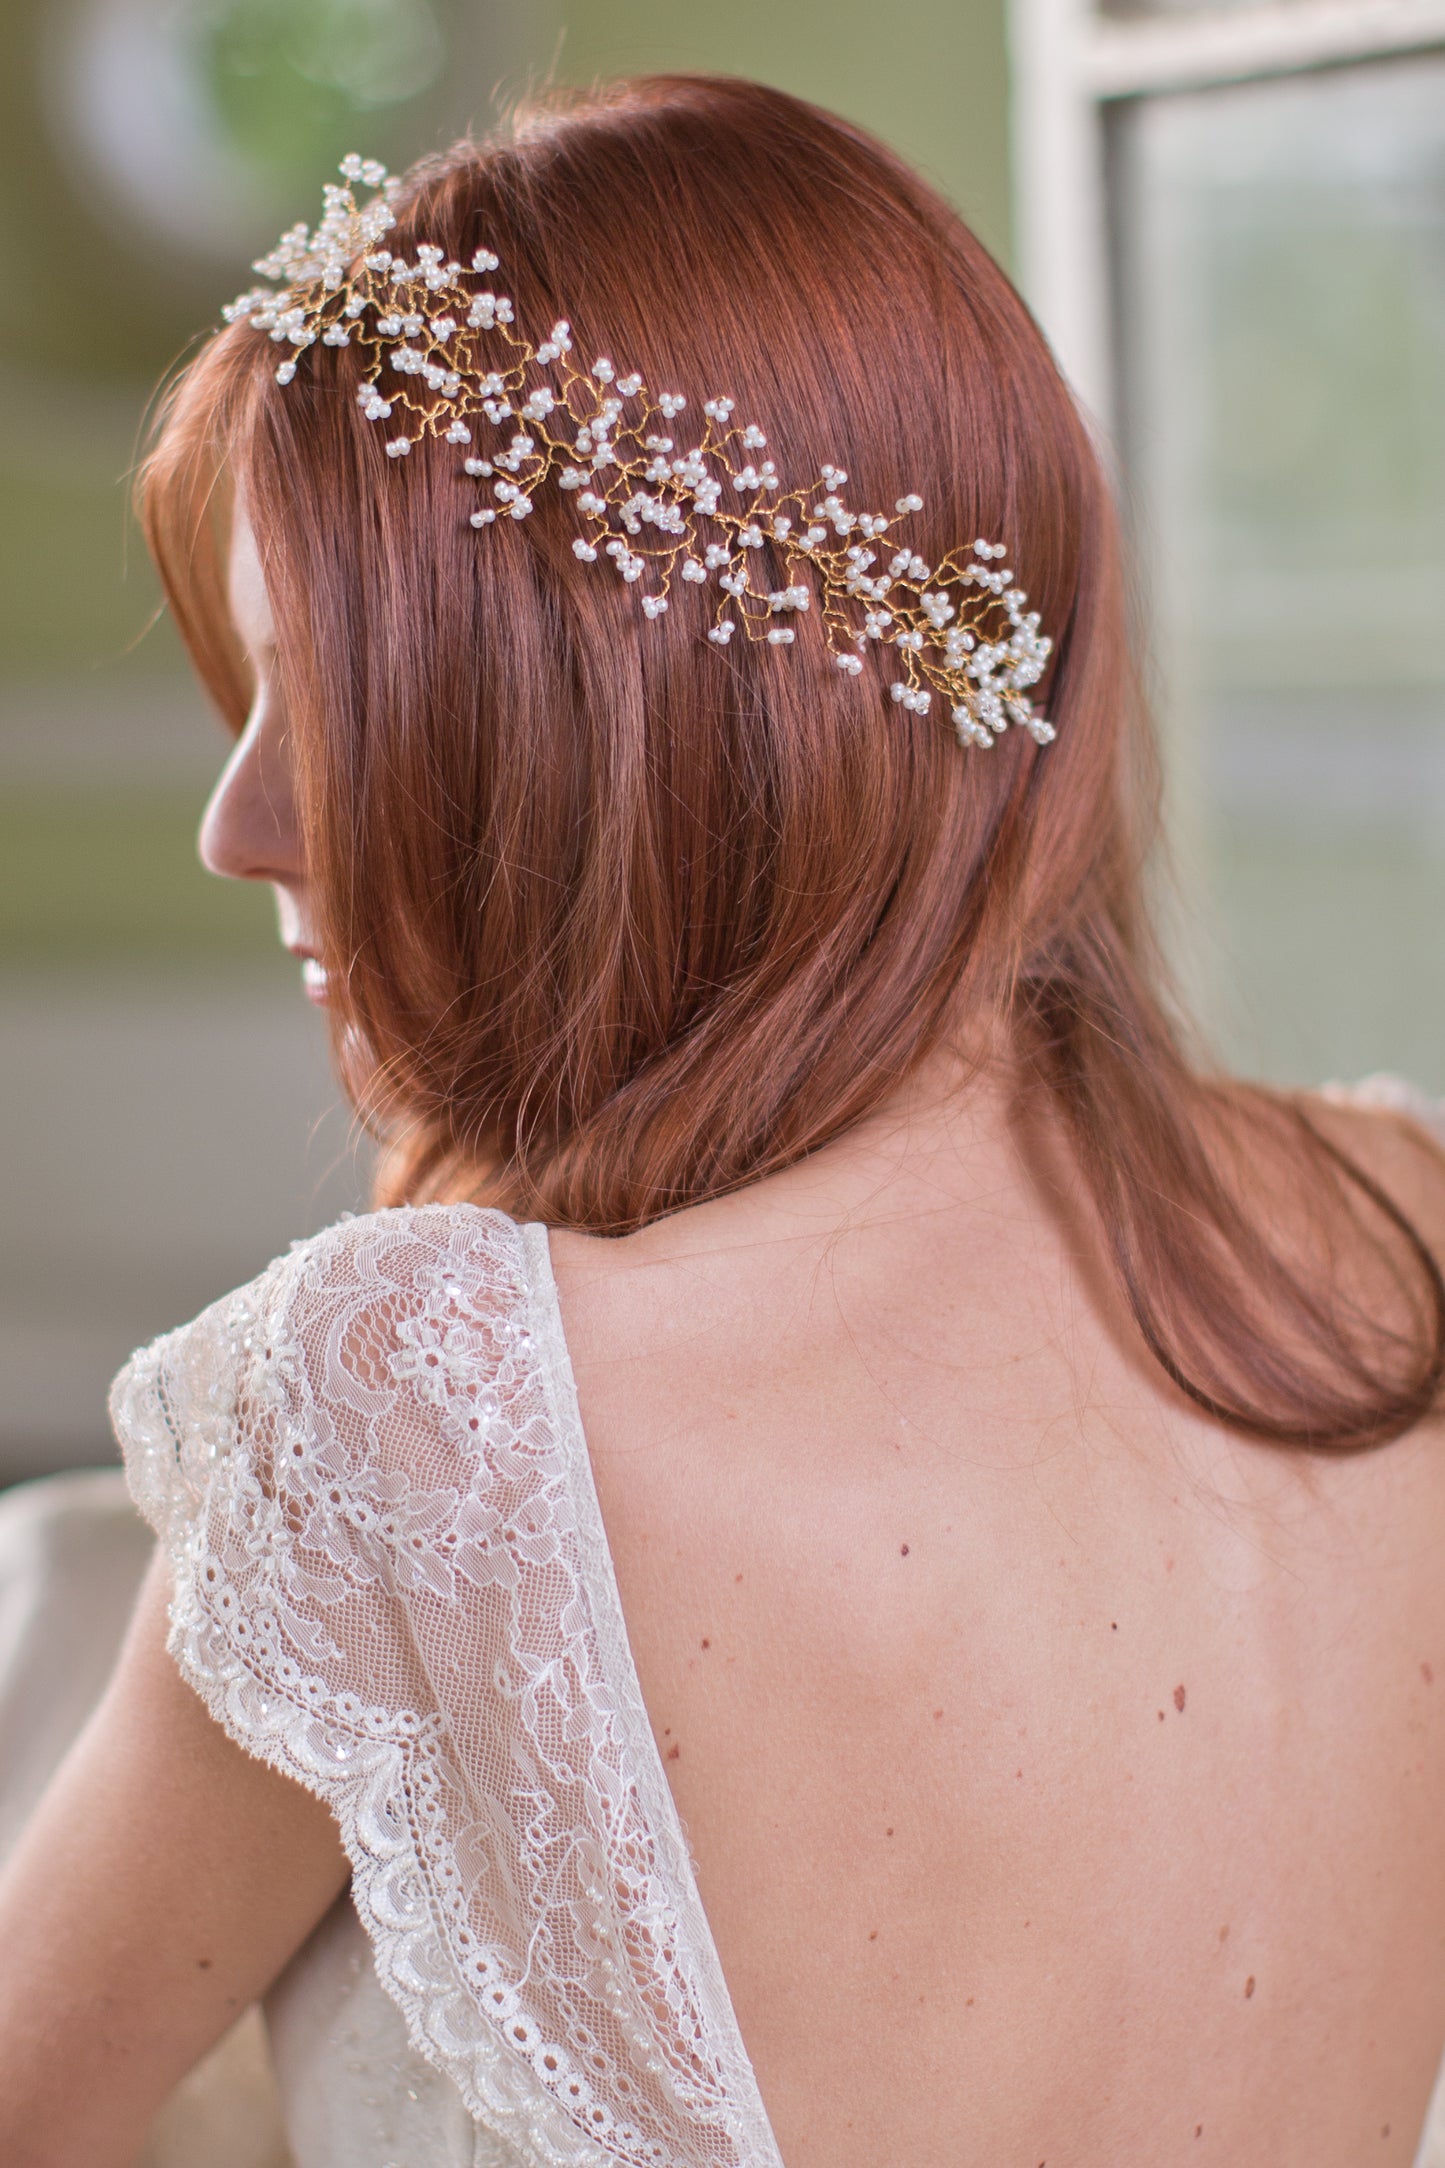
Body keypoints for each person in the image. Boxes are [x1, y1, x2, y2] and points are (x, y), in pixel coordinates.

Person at [3, 70, 1445, 2168]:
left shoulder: (416, 1416)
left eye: (332, 707)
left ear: (607, 727)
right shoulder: (1399, 1222)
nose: (242, 827)